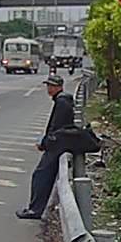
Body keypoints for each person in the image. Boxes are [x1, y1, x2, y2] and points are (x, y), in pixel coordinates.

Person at [18, 74, 76, 220]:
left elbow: (56, 127)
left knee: (40, 176)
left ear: (59, 87)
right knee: (42, 176)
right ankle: (36, 208)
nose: (49, 89)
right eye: (48, 85)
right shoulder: (62, 100)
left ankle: (35, 210)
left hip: (57, 145)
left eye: (52, 86)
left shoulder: (62, 103)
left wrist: (45, 143)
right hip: (59, 143)